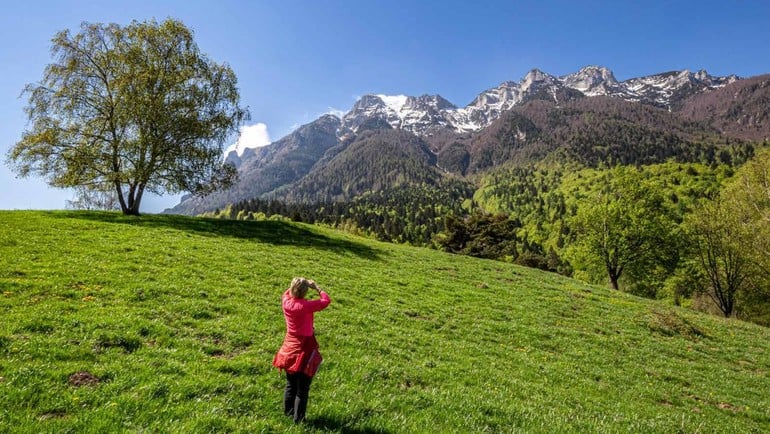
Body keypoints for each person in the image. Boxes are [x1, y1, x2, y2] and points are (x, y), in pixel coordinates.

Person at [272, 277, 331, 423]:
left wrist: (296, 285)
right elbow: (326, 301)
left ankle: (288, 412)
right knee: (303, 387)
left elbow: (286, 293)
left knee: (291, 383)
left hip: (289, 347)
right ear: (305, 292)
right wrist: (317, 287)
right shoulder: (305, 306)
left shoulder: (286, 301)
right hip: (304, 348)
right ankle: (299, 419)